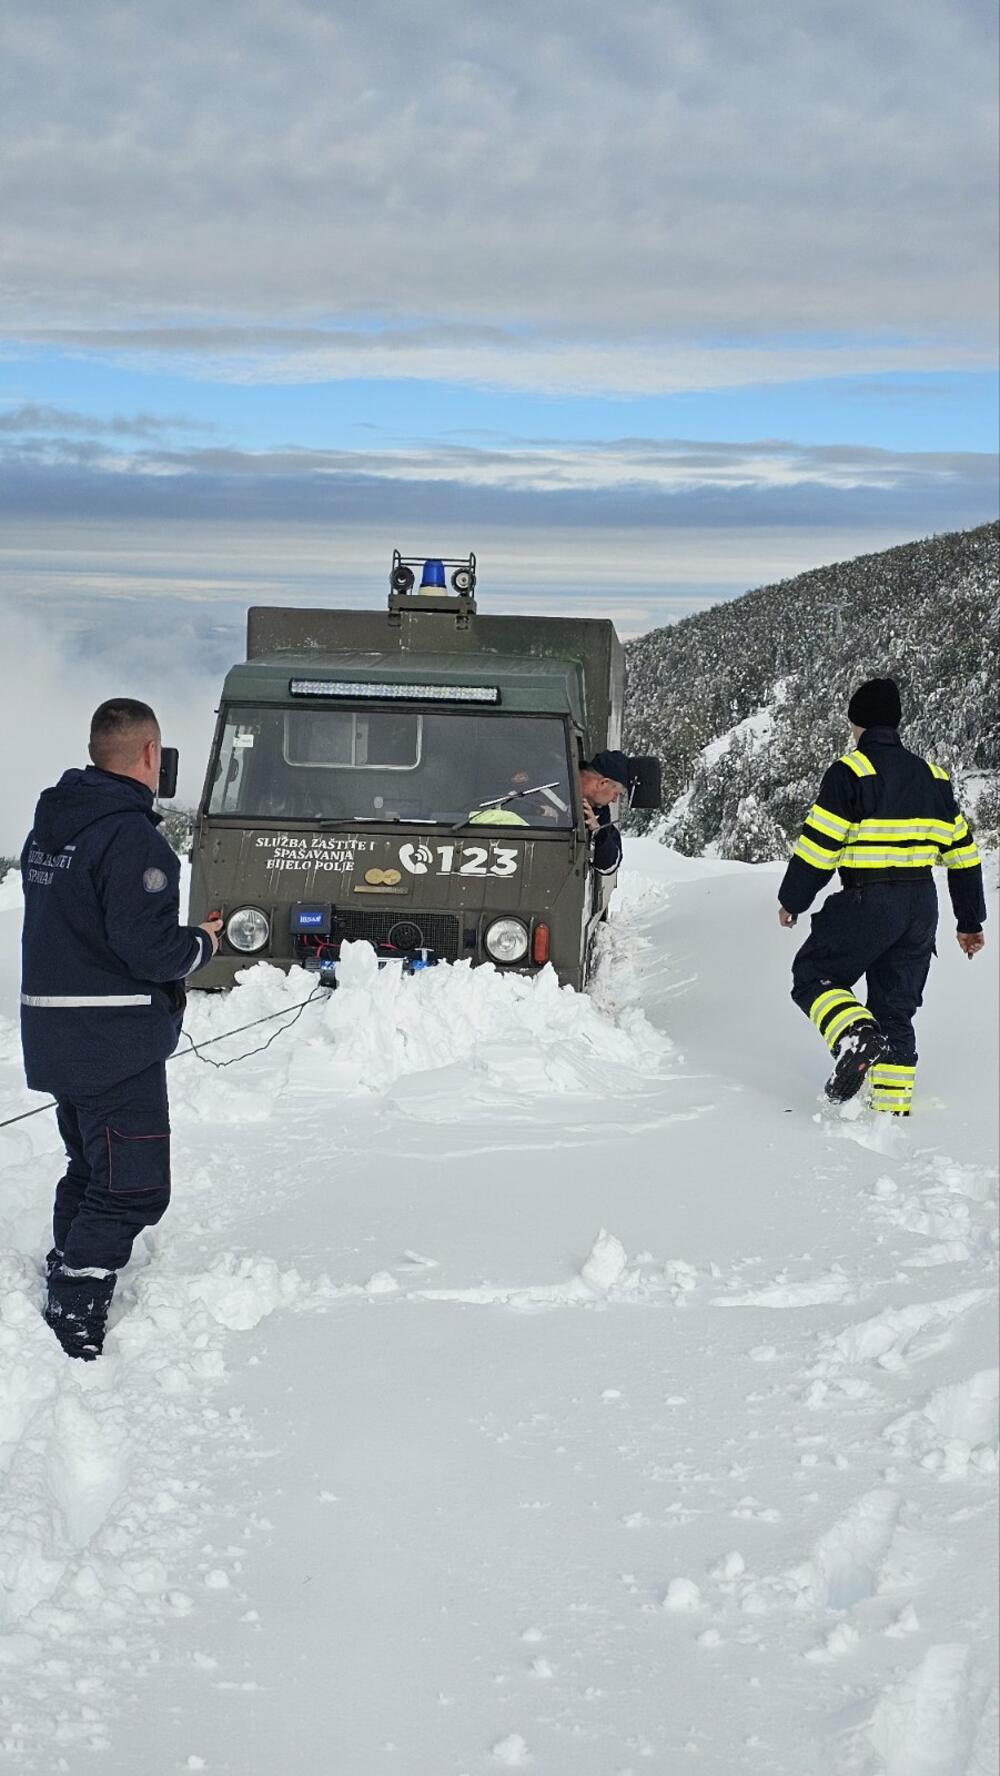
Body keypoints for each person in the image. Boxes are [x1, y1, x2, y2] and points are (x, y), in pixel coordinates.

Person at [20, 699, 222, 1358]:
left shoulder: (54, 826)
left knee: (91, 1163)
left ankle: (66, 1263)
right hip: (112, 1041)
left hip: (57, 1034)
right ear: (148, 756)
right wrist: (203, 943)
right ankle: (75, 1302)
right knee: (134, 1184)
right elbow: (151, 949)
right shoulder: (132, 838)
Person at [777, 678, 986, 1114]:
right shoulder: (935, 778)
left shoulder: (851, 772)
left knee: (813, 975)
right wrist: (969, 922)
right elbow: (964, 857)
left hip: (867, 900)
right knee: (896, 1008)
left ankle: (855, 1035)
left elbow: (820, 846)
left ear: (857, 723)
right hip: (920, 907)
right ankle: (890, 1112)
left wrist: (793, 900)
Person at [580, 752, 629, 875]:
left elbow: (608, 865)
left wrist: (598, 832)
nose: (614, 800)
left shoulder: (601, 813)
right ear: (603, 783)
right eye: (616, 793)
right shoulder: (553, 780)